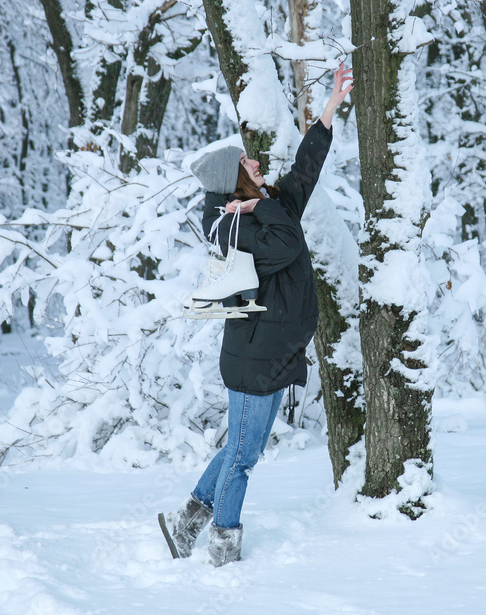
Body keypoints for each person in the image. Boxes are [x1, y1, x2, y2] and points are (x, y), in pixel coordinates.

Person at [159, 64, 353, 567]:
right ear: (235, 183)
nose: (257, 160)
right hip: (254, 361)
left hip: (271, 356)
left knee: (241, 449)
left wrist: (331, 106)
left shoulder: (266, 208)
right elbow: (286, 245)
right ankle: (222, 545)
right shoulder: (232, 228)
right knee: (243, 457)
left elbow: (307, 168)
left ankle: (186, 523)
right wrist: (255, 210)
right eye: (248, 163)